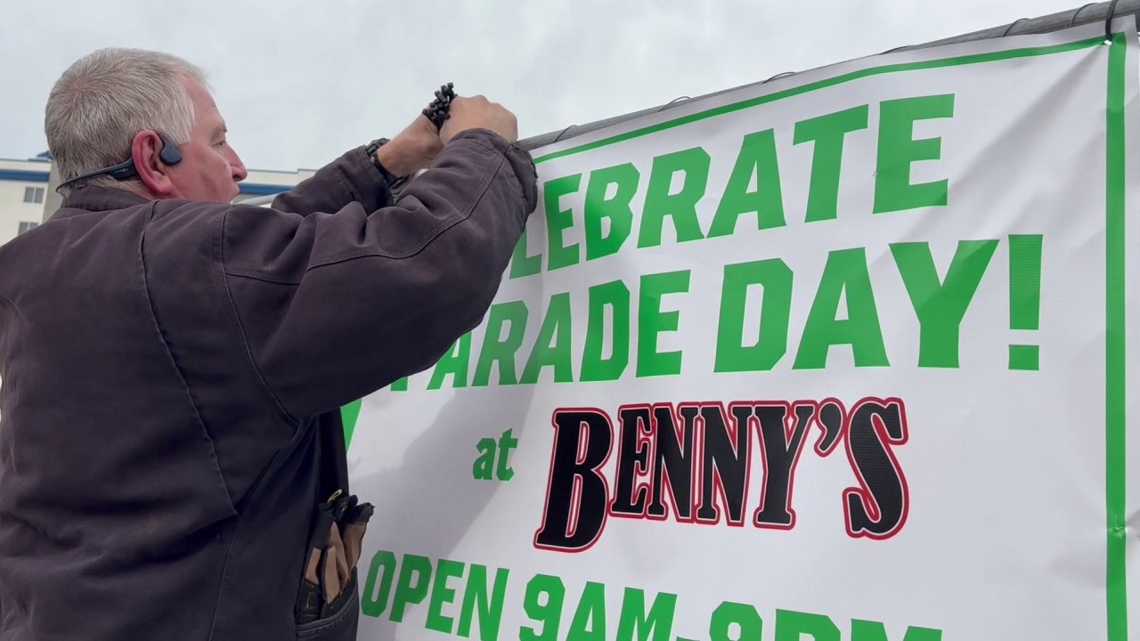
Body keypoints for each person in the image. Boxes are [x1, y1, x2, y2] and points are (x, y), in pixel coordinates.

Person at [0, 48, 537, 640]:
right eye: (219, 141)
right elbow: (426, 266)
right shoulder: (183, 267)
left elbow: (253, 265)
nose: (238, 167)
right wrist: (485, 148)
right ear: (154, 158)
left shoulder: (39, 269)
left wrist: (382, 165)